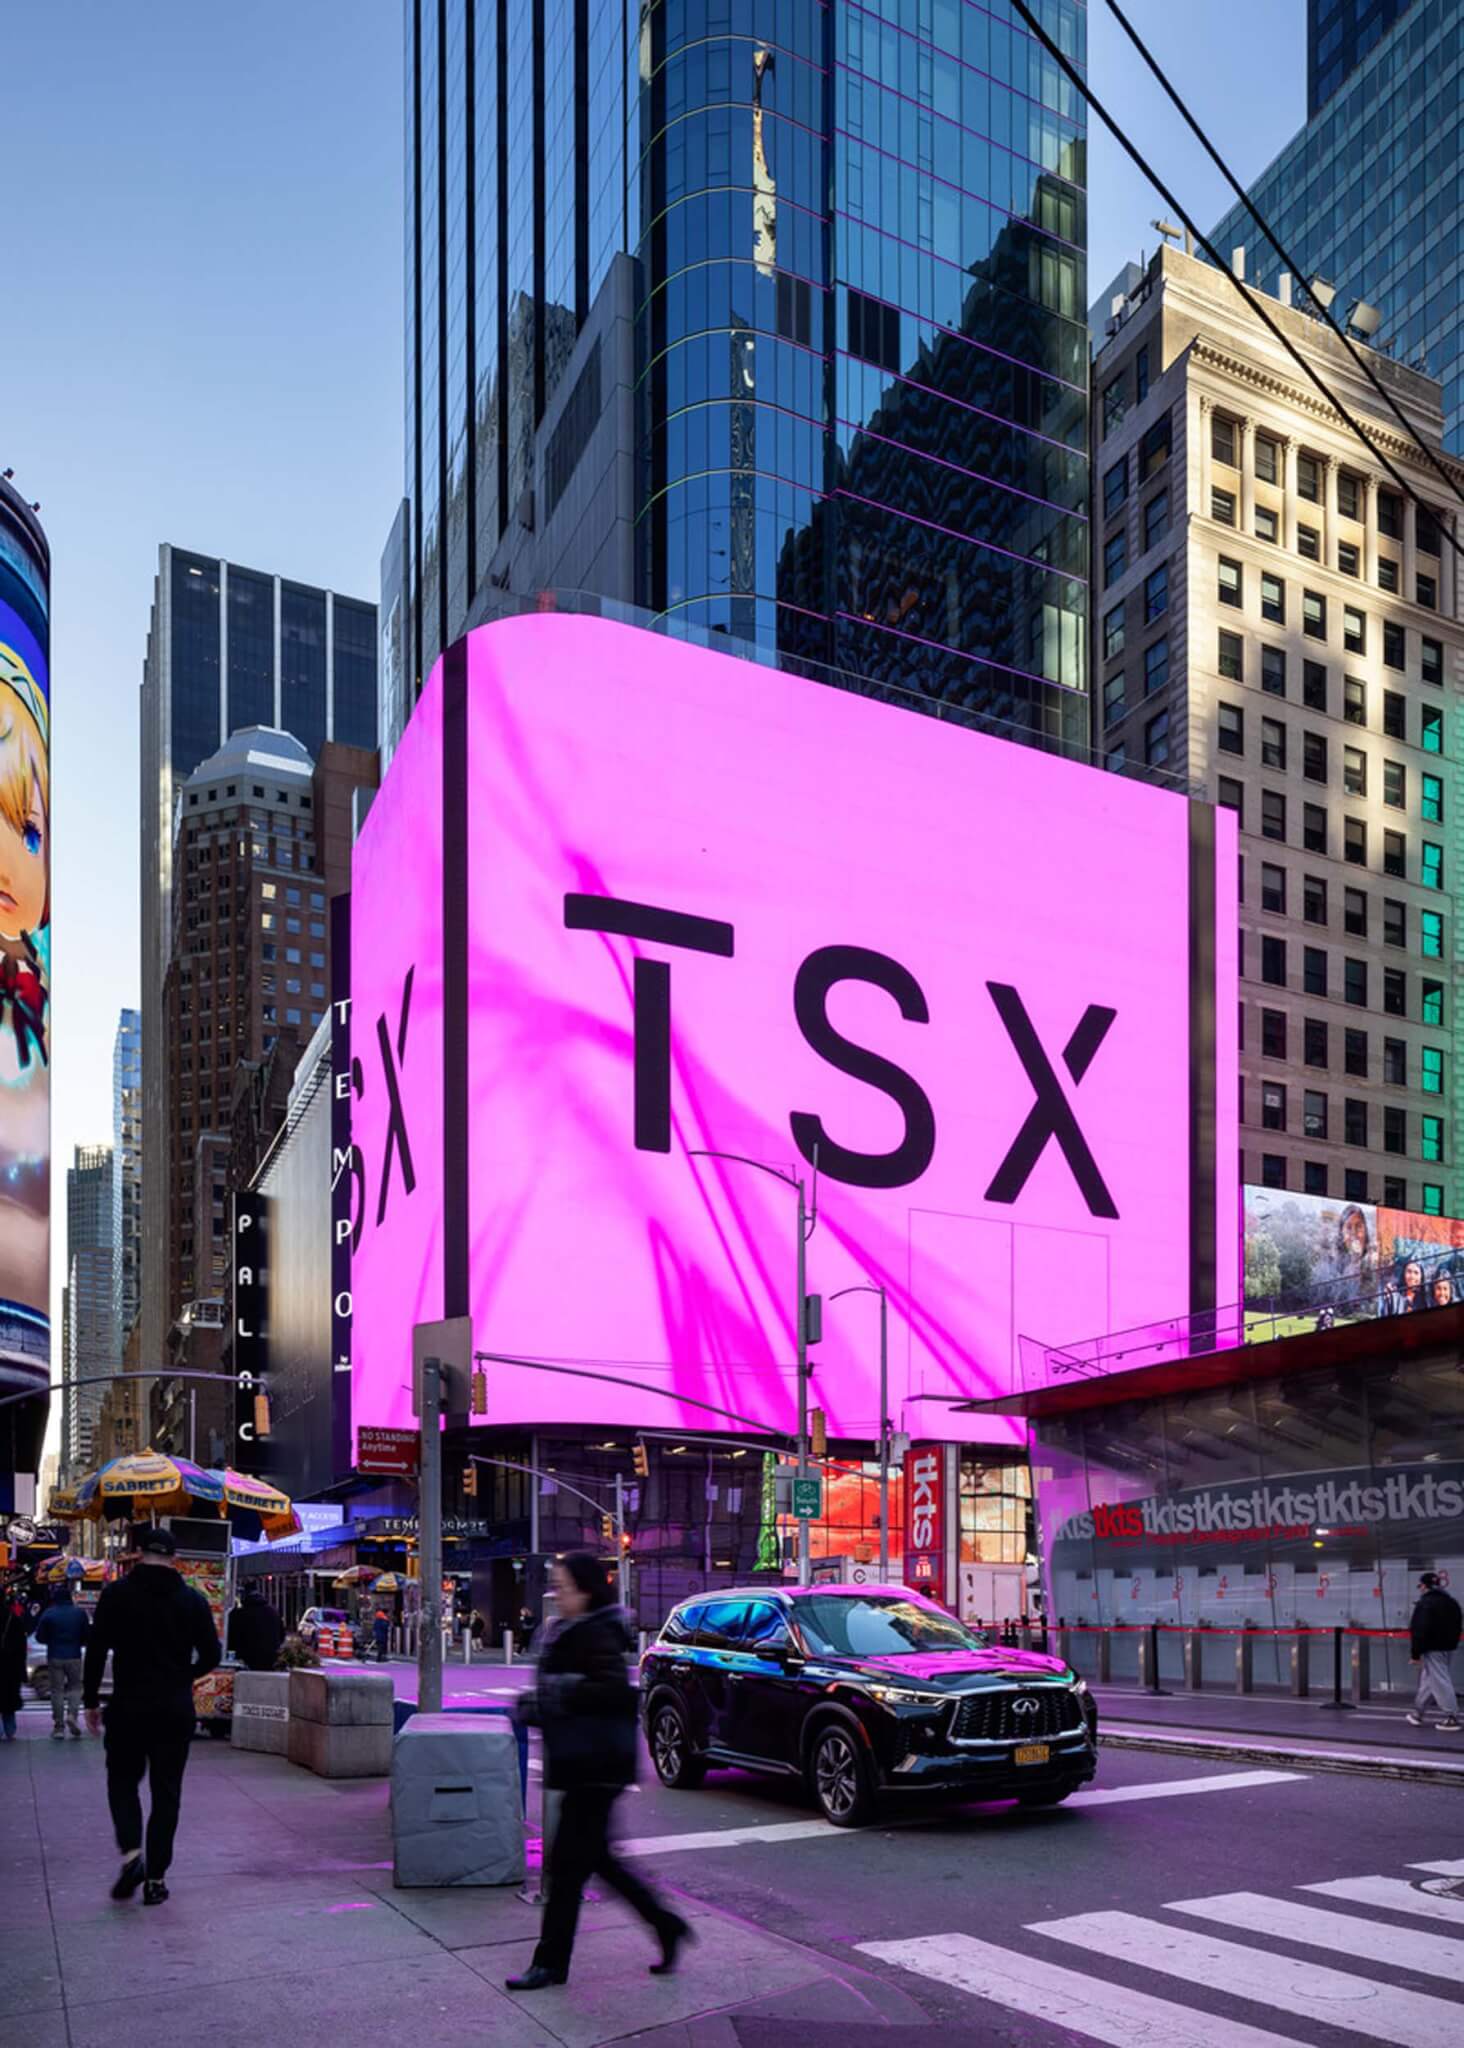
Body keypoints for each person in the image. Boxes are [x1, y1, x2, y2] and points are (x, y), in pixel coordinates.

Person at [506, 1552, 688, 1992]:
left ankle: (550, 1963)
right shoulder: (577, 1628)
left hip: (594, 1767)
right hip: (584, 1763)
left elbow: (610, 1693)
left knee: (567, 1870)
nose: (557, 1593)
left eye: (564, 1586)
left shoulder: (598, 1632)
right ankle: (665, 1925)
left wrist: (550, 1695)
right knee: (597, 1862)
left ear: (585, 1591)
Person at [82, 1526, 221, 1904]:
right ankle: (156, 1879)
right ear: (174, 1557)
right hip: (174, 1709)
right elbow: (212, 1655)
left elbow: (96, 1650)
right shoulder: (192, 1600)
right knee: (167, 1793)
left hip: (128, 1706)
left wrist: (91, 1699)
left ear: (139, 1552)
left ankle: (131, 1855)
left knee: (122, 1783)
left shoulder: (117, 1594)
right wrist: (182, 1676)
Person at [1407, 1571, 1462, 1732]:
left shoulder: (1425, 1603)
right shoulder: (1452, 1602)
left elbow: (1419, 1630)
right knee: (1430, 1678)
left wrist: (1415, 1653)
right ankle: (1418, 1712)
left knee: (1439, 1680)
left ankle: (1451, 1716)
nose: (1420, 1589)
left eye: (1420, 1586)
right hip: (1448, 1647)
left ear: (1424, 1586)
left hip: (1432, 1648)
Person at [35, 1581, 90, 1739]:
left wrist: (51, 1641)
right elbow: (87, 1635)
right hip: (74, 1655)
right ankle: (72, 1715)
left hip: (55, 1655)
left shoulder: (49, 1613)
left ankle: (58, 1726)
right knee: (75, 1687)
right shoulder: (79, 1613)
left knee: (57, 1690)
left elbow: (39, 1636)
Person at [226, 1586, 284, 1672]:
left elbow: (230, 1637)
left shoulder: (238, 1614)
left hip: (245, 1660)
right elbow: (281, 1635)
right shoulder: (273, 1612)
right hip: (270, 1659)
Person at [0, 1588, 27, 1740]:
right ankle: (10, 1730)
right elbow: (21, 1647)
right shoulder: (14, 1619)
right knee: (9, 1698)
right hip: (10, 1665)